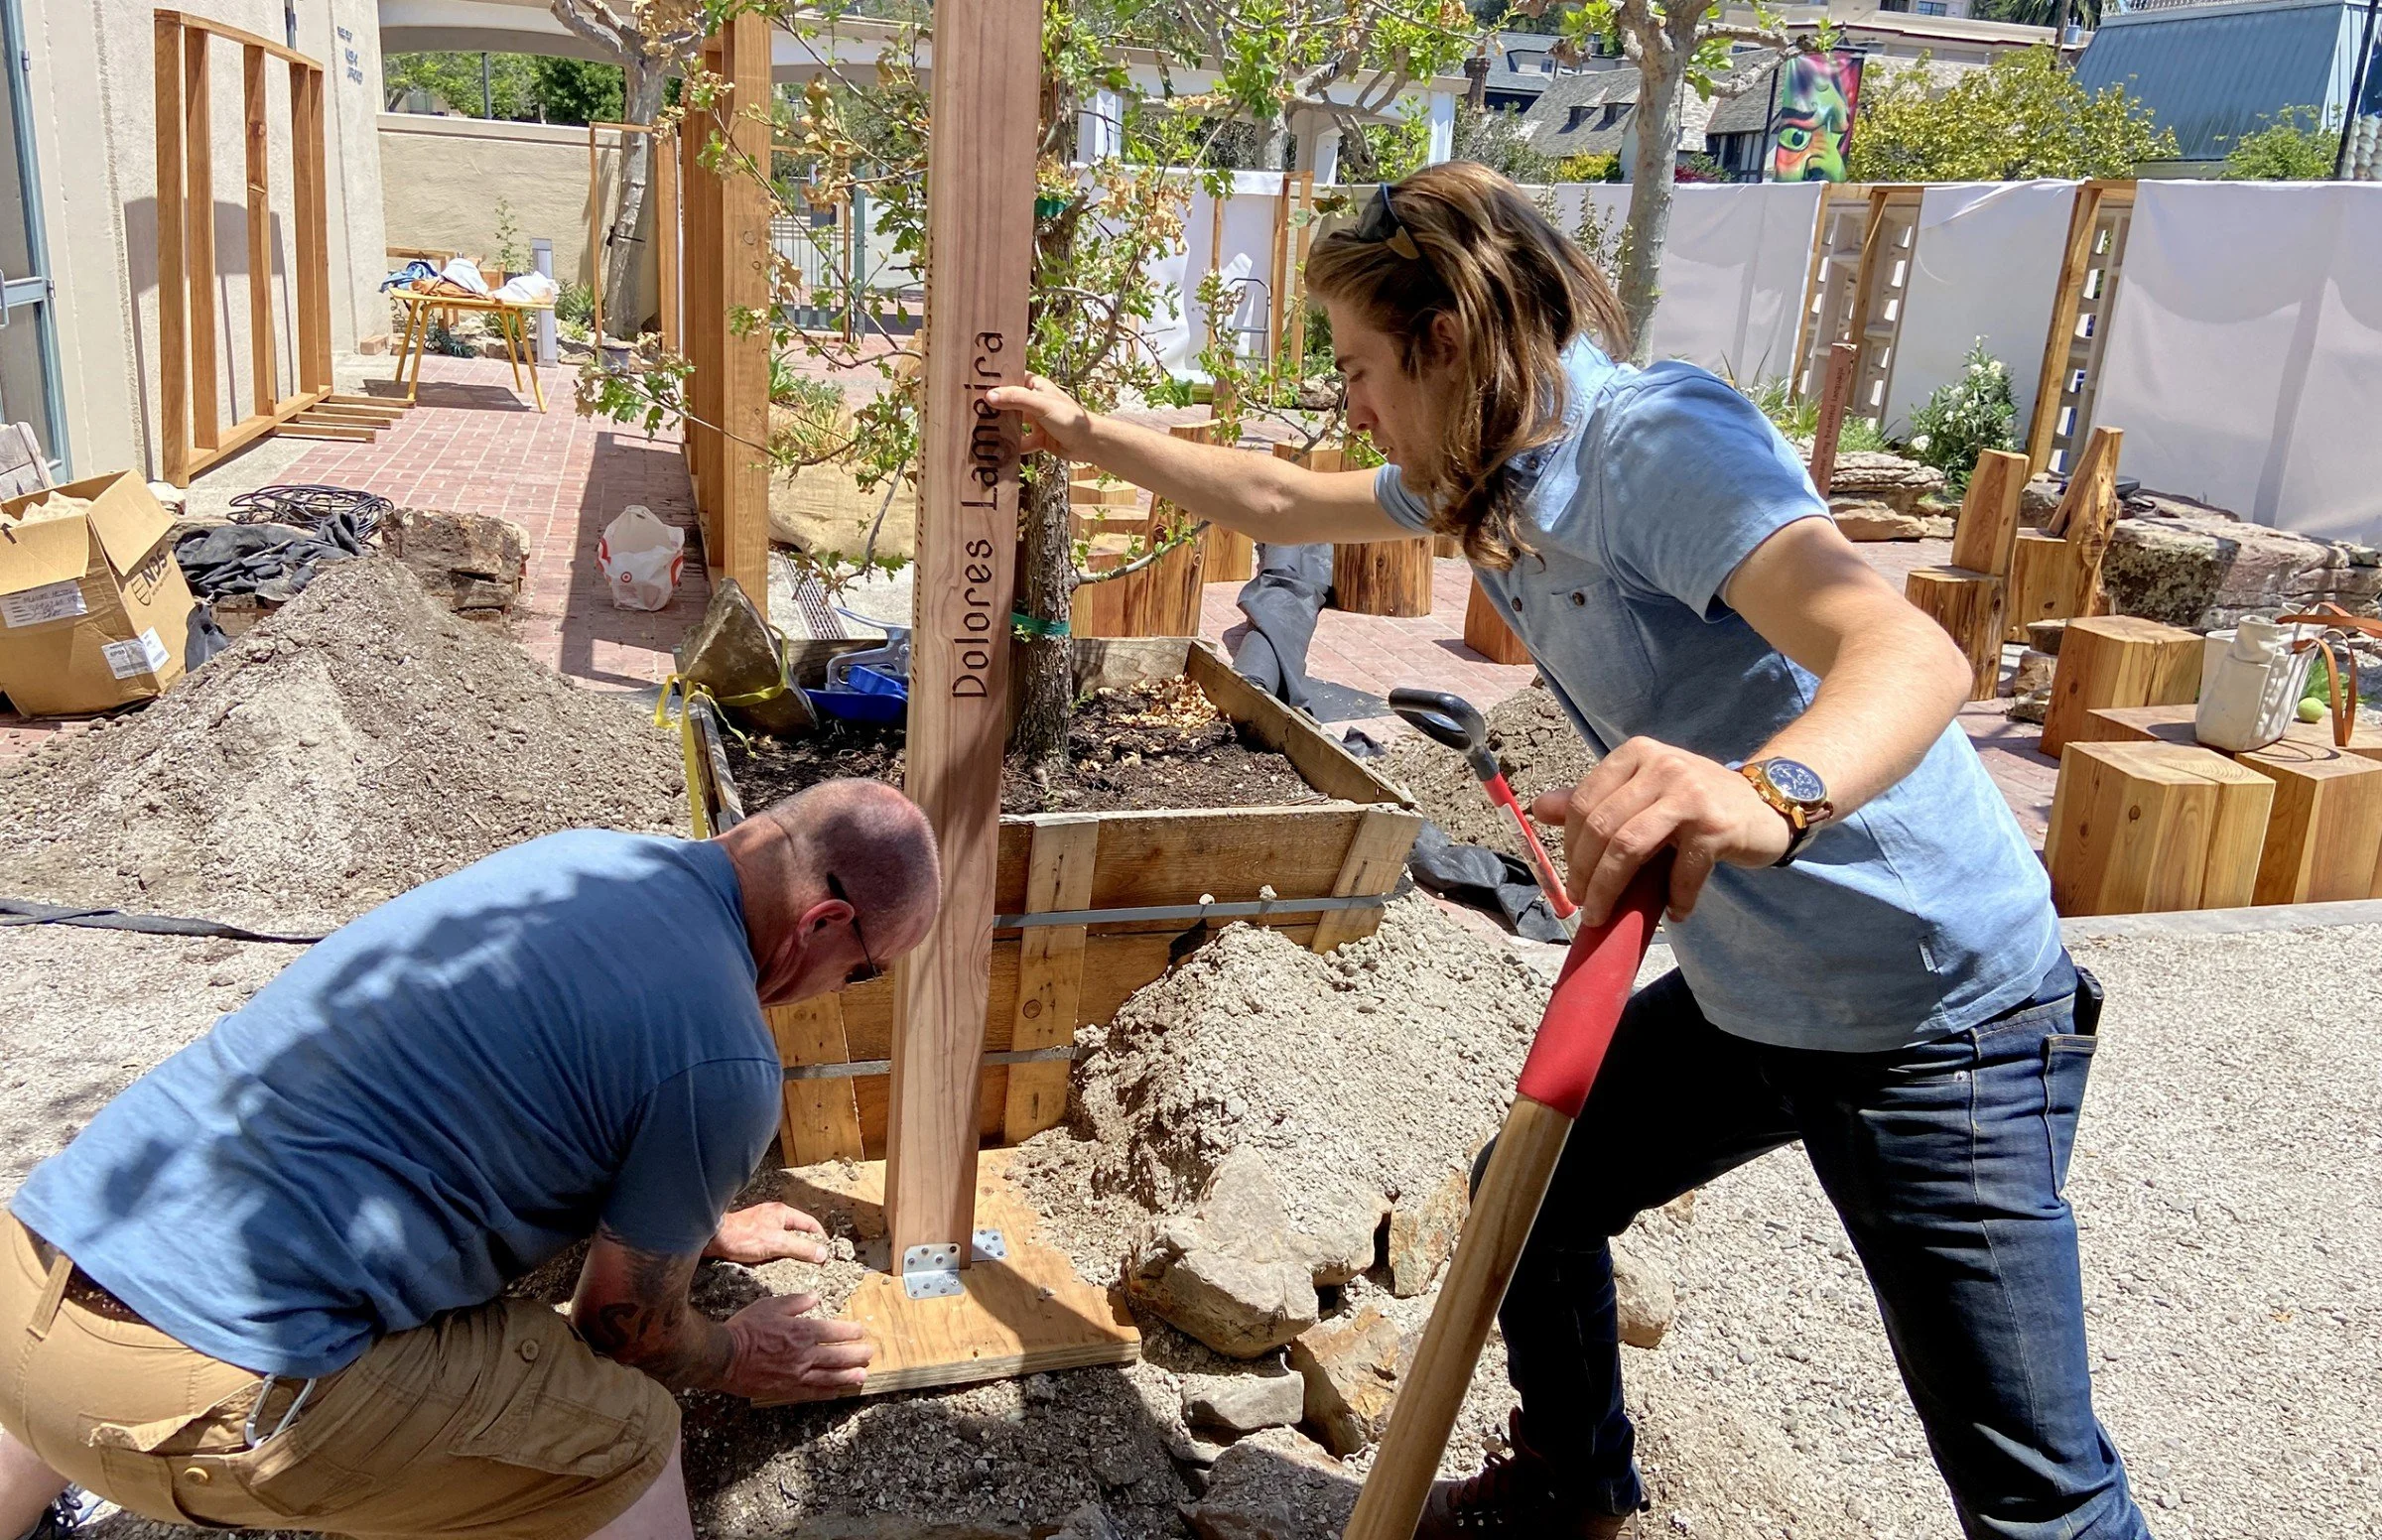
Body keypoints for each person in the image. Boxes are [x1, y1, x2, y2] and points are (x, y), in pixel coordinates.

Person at [987, 164, 2150, 1539]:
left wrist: (1766, 790)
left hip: (1932, 1006)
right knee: (1527, 1208)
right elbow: (1277, 501)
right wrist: (1071, 430)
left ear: (1445, 342)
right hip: (1757, 994)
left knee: (2034, 1494)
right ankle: (1573, 1485)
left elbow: (1905, 648)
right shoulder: (1484, 473)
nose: (1351, 403)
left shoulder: (1655, 446)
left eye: (1363, 367)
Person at [0, 779, 941, 1540]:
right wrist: (738, 1354)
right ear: (821, 924)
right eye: (865, 971)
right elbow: (623, 1329)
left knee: (138, 1286)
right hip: (196, 1390)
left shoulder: (580, 860)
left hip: (30, 1278)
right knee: (629, 1437)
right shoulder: (729, 1059)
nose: (841, 992)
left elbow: (520, 1078)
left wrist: (691, 1214)